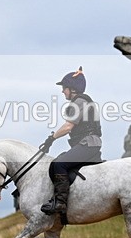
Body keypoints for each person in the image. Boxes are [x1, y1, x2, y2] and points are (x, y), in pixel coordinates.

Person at [40, 66, 103, 215]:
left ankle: (61, 202)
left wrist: (51, 138)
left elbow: (68, 126)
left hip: (88, 144)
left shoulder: (79, 101)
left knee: (58, 164)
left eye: (64, 88)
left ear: (72, 89)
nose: (63, 91)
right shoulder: (79, 101)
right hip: (86, 143)